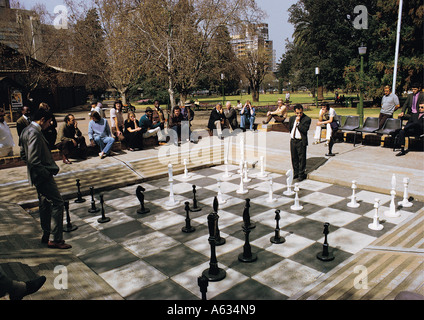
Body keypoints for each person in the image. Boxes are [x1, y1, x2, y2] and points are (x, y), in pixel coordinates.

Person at [19, 108, 72, 249]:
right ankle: (57, 239)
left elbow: (23, 155)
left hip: (36, 175)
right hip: (42, 176)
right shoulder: (34, 133)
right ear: (42, 120)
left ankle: (46, 234)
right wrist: (45, 172)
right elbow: (33, 159)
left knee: (44, 204)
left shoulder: (26, 130)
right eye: (48, 122)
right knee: (58, 203)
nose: (49, 125)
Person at [289, 104, 311, 181]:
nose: (299, 114)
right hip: (293, 140)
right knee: (294, 157)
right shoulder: (291, 118)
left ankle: (301, 174)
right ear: (295, 112)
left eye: (300, 113)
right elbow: (290, 128)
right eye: (297, 113)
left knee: (301, 158)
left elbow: (304, 130)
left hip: (301, 141)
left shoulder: (307, 119)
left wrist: (298, 123)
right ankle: (296, 173)